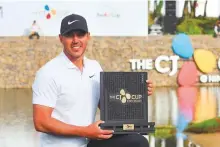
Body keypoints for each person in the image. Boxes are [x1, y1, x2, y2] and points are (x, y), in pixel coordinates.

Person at [32, 13, 154, 147]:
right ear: (61, 38)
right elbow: (41, 122)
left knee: (138, 141)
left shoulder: (94, 67)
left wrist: (139, 93)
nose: (75, 40)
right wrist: (85, 131)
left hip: (88, 141)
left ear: (88, 36)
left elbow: (110, 107)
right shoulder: (48, 73)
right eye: (69, 35)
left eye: (80, 34)